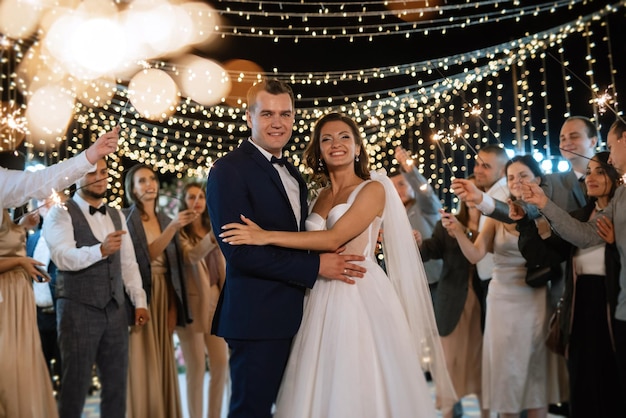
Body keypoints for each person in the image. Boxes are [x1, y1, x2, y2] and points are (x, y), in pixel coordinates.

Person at [220, 112, 455, 417]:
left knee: (354, 378)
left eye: (345, 136)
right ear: (317, 150)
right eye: (326, 139)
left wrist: (264, 237)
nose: (336, 144)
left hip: (356, 290)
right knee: (318, 379)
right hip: (316, 292)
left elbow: (334, 239)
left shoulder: (373, 188)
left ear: (358, 147)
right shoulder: (316, 196)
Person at [205, 79, 369, 418]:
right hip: (257, 317)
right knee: (251, 411)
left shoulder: (294, 174)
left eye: (285, 114)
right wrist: (315, 268)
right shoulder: (228, 170)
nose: (277, 122)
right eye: (267, 114)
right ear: (249, 117)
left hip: (305, 314)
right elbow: (240, 252)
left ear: (294, 119)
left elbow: (305, 236)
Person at [0, 127, 119, 418]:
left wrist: (89, 156)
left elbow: (39, 182)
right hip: (26, 298)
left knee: (16, 376)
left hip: (17, 300)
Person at [520, 118, 626, 413]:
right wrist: (534, 210)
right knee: (582, 380)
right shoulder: (585, 214)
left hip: (612, 300)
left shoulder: (619, 203)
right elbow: (578, 237)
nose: (590, 178)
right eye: (588, 171)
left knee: (612, 382)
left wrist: (617, 241)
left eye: (599, 171)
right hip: (584, 305)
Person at [442, 154, 561, 418]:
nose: (516, 181)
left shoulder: (547, 213)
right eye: (510, 177)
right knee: (506, 370)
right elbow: (475, 255)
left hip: (534, 297)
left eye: (523, 176)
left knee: (534, 369)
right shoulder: (496, 215)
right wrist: (458, 231)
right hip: (501, 298)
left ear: (538, 179)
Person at [42, 156, 150, 418]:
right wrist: (99, 250)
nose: (100, 177)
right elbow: (62, 257)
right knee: (74, 386)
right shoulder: (61, 213)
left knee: (116, 387)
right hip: (77, 311)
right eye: (92, 173)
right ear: (76, 177)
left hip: (115, 310)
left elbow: (128, 263)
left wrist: (139, 301)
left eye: (104, 171)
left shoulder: (116, 214)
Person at [123, 163, 195, 418]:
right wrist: (173, 228)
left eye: (151, 179)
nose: (149, 184)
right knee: (142, 359)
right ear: (132, 189)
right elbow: (143, 258)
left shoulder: (165, 218)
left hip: (166, 292)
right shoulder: (126, 218)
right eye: (141, 181)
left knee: (164, 358)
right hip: (142, 293)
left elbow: (175, 267)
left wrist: (174, 307)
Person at [419, 176, 489, 418]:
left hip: (485, 303)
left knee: (483, 364)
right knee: (449, 363)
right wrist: (416, 243)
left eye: (477, 190)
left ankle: (487, 412)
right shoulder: (448, 223)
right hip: (453, 301)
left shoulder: (493, 223)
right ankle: (449, 412)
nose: (470, 195)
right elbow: (432, 249)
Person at [176, 182, 229, 418]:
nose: (196, 202)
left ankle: (214, 415)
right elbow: (190, 256)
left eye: (200, 197)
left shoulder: (211, 226)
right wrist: (211, 238)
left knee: (220, 365)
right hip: (192, 304)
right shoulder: (179, 230)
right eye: (190, 197)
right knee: (196, 368)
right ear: (183, 201)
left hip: (217, 301)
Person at [451, 144, 509, 329]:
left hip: (500, 280)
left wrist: (460, 231)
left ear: (502, 171)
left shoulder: (503, 194)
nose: (478, 170)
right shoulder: (491, 192)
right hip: (487, 278)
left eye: (486, 166)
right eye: (477, 164)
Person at [391, 145, 443, 295]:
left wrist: (409, 169)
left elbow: (425, 192)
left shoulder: (425, 205)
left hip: (433, 279)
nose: (397, 190)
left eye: (401, 184)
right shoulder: (391, 215)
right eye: (392, 186)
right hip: (407, 283)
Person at [26, 198, 62, 393]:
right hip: (37, 314)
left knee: (65, 367)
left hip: (60, 312)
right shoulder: (32, 239)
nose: (46, 204)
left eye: (50, 199)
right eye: (41, 200)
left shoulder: (66, 235)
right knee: (41, 368)